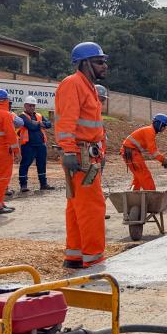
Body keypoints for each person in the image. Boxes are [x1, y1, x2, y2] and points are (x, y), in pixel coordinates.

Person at [55, 42, 108, 268]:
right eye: (99, 61)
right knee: (92, 207)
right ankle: (93, 258)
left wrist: (102, 150)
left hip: (86, 154)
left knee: (77, 206)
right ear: (85, 63)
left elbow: (94, 125)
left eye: (104, 61)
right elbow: (67, 121)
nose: (104, 66)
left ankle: (75, 256)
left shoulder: (89, 88)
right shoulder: (73, 84)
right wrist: (68, 150)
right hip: (80, 156)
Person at [121, 114, 167, 191]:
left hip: (131, 151)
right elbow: (153, 151)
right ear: (158, 123)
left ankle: (133, 195)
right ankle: (152, 195)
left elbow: (152, 149)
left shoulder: (150, 131)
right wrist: (163, 160)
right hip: (131, 152)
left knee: (138, 177)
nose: (164, 128)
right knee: (144, 175)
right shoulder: (149, 131)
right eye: (163, 125)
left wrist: (162, 159)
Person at [17, 96, 54, 192]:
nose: (32, 107)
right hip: (28, 145)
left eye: (33, 106)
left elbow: (49, 124)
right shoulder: (22, 116)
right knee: (25, 164)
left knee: (42, 164)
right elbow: (30, 126)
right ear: (25, 105)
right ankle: (23, 185)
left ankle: (43, 184)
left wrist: (37, 123)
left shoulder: (38, 115)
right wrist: (40, 124)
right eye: (30, 105)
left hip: (41, 144)